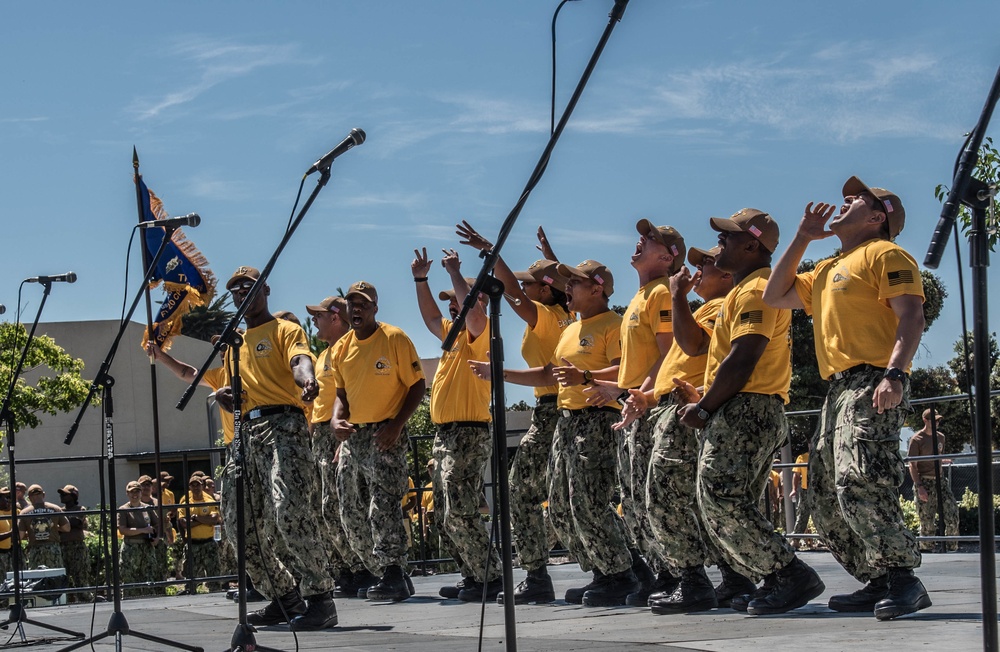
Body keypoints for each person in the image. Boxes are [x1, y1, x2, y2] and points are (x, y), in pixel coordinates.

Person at [763, 176, 929, 620]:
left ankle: (902, 578)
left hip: (875, 378)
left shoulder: (885, 253)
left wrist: (894, 374)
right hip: (837, 387)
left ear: (878, 217)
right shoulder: (825, 268)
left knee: (861, 479)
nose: (844, 202)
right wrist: (801, 237)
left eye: (856, 200)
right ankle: (876, 580)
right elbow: (774, 294)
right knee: (822, 491)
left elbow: (912, 314)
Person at [149, 265, 337, 630]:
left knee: (289, 512)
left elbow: (300, 360)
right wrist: (219, 394)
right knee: (237, 524)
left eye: (247, 287)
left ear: (265, 290)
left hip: (283, 426)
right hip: (244, 435)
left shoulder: (285, 329)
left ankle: (321, 599)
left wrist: (308, 380)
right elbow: (200, 378)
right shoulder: (233, 344)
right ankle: (283, 597)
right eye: (235, 290)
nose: (240, 294)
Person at [678, 208, 824, 616]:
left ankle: (791, 574)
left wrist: (704, 409)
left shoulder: (757, 287)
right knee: (728, 498)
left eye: (727, 236)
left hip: (748, 407)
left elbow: (744, 357)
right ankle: (774, 577)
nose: (719, 243)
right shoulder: (744, 290)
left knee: (721, 496)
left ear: (752, 245)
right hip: (744, 406)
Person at [471, 260, 638, 607]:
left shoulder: (613, 324)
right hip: (566, 421)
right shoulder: (570, 330)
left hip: (595, 419)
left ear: (597, 289)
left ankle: (619, 576)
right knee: (562, 506)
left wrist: (588, 377)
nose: (568, 289)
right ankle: (611, 571)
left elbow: (626, 369)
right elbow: (550, 374)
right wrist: (499, 372)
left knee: (588, 500)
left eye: (574, 284)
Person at [615, 245, 736, 614]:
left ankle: (695, 580)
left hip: (687, 409)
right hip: (668, 404)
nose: (698, 269)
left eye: (707, 263)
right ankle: (721, 577)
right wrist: (648, 398)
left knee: (668, 498)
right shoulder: (703, 308)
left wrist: (677, 294)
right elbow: (676, 363)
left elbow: (694, 348)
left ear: (728, 273)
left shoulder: (720, 307)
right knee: (667, 499)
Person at [456, 221, 572, 605]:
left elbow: (512, 293)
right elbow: (564, 282)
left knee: (520, 489)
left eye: (533, 283)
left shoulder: (543, 316)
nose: (524, 289)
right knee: (568, 493)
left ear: (546, 289)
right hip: (562, 409)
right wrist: (550, 255)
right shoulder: (566, 316)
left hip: (553, 409)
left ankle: (537, 575)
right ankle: (627, 569)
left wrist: (492, 252)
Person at [412, 247, 502, 602]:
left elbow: (475, 317)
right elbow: (431, 318)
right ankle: (472, 573)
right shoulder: (451, 338)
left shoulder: (480, 334)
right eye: (452, 302)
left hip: (468, 432)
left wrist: (455, 274)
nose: (453, 307)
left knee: (460, 509)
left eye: (459, 302)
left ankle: (490, 576)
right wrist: (421, 280)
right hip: (445, 435)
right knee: (445, 513)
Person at [332, 280, 426, 602]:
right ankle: (383, 569)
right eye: (351, 304)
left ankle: (393, 574)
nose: (356, 309)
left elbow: (417, 386)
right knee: (348, 508)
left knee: (383, 504)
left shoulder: (394, 338)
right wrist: (336, 419)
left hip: (386, 433)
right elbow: (341, 395)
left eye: (363, 303)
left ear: (375, 307)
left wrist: (397, 426)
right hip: (354, 436)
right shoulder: (340, 349)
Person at [305, 294, 374, 598]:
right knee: (325, 508)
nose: (314, 321)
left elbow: (352, 395)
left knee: (342, 506)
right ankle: (345, 568)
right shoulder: (324, 354)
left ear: (335, 317)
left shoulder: (348, 350)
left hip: (339, 434)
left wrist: (341, 441)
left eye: (319, 316)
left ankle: (366, 568)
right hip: (321, 433)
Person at [908, 409, 959, 552]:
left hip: (940, 480)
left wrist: (943, 460)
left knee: (952, 511)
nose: (937, 423)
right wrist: (920, 486)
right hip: (925, 481)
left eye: (938, 420)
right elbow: (912, 465)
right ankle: (927, 548)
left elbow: (936, 456)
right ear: (925, 420)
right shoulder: (917, 439)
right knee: (927, 519)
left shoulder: (940, 437)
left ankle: (952, 547)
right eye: (934, 420)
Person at [176, 474, 223, 592]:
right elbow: (183, 523)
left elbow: (214, 520)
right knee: (191, 575)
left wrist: (195, 518)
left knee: (214, 574)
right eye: (193, 485)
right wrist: (203, 520)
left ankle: (215, 594)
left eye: (198, 485)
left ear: (202, 486)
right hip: (193, 544)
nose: (196, 488)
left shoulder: (208, 500)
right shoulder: (185, 500)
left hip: (208, 542)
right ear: (190, 487)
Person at [118, 480, 160, 597]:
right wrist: (142, 530)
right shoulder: (123, 510)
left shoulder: (148, 508)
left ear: (141, 493)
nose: (134, 494)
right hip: (130, 548)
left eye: (137, 491)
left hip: (146, 548)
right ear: (127, 493)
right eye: (132, 492)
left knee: (148, 578)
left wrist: (157, 538)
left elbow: (157, 525)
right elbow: (122, 530)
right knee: (129, 579)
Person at [18, 484, 70, 570]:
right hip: (53, 549)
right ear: (43, 495)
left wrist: (30, 532)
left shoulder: (24, 513)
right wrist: (54, 528)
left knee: (36, 580)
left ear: (29, 497)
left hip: (35, 550)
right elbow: (67, 528)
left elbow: (19, 535)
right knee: (55, 578)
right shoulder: (55, 509)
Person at [57, 484, 92, 602]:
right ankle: (64, 600)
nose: (61, 496)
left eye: (65, 494)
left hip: (77, 547)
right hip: (62, 546)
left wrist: (63, 523)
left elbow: (77, 522)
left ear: (73, 496)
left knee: (80, 575)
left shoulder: (80, 509)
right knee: (63, 576)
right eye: (61, 494)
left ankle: (85, 600)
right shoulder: (59, 510)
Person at [789, 450, 812, 549]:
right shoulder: (802, 457)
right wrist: (794, 489)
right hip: (805, 489)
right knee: (802, 514)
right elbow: (796, 474)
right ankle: (795, 540)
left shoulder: (821, 454)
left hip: (820, 489)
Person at [0, 488, 15, 579]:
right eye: (4, 498)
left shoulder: (1, 512)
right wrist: (11, 533)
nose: (7, 500)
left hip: (6, 554)